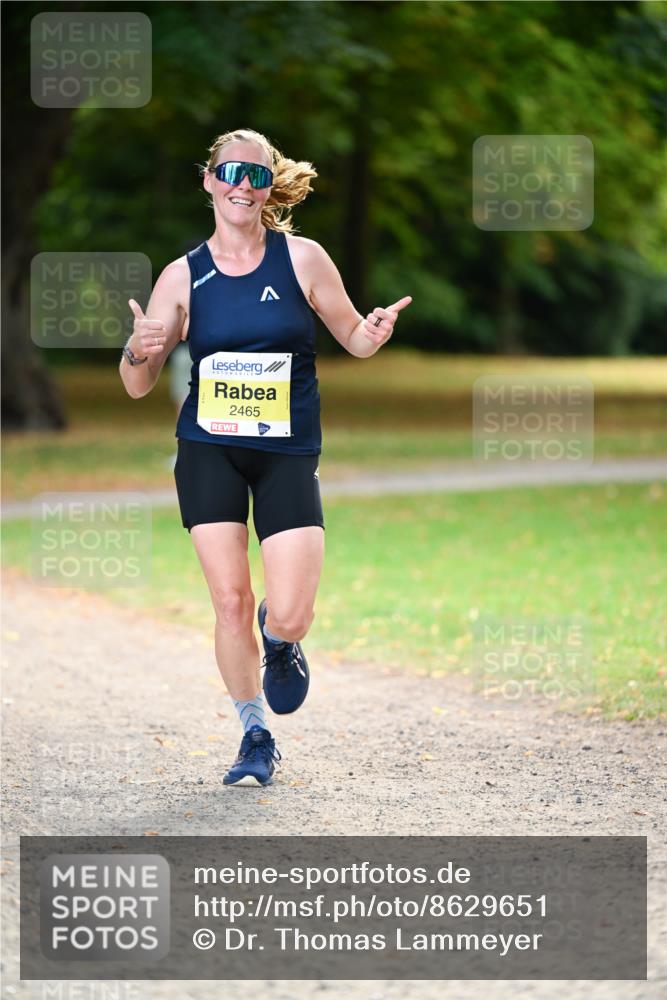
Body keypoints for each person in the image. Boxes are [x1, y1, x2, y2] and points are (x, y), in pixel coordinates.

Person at [119, 127, 411, 787]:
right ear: (208, 180)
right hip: (208, 451)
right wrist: (140, 348)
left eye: (254, 175)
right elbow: (136, 384)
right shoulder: (182, 274)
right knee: (228, 598)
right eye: (229, 172)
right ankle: (254, 732)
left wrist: (369, 332)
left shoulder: (302, 259)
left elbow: (352, 339)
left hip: (285, 453)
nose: (240, 186)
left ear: (268, 185)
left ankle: (279, 640)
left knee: (291, 609)